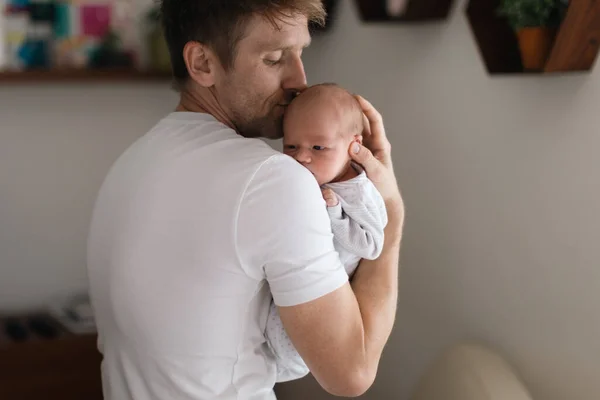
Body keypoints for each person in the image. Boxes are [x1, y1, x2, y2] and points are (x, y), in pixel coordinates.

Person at [86, 1, 405, 399]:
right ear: (202, 62)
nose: (300, 81)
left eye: (300, 54)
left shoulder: (130, 164)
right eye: (274, 59)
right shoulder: (274, 180)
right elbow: (351, 374)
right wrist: (390, 220)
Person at [265, 83, 388, 383]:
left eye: (318, 148)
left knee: (287, 352)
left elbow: (371, 245)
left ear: (353, 146)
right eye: (291, 146)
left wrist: (335, 214)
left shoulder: (359, 190)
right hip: (286, 294)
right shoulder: (307, 177)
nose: (302, 157)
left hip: (326, 301)